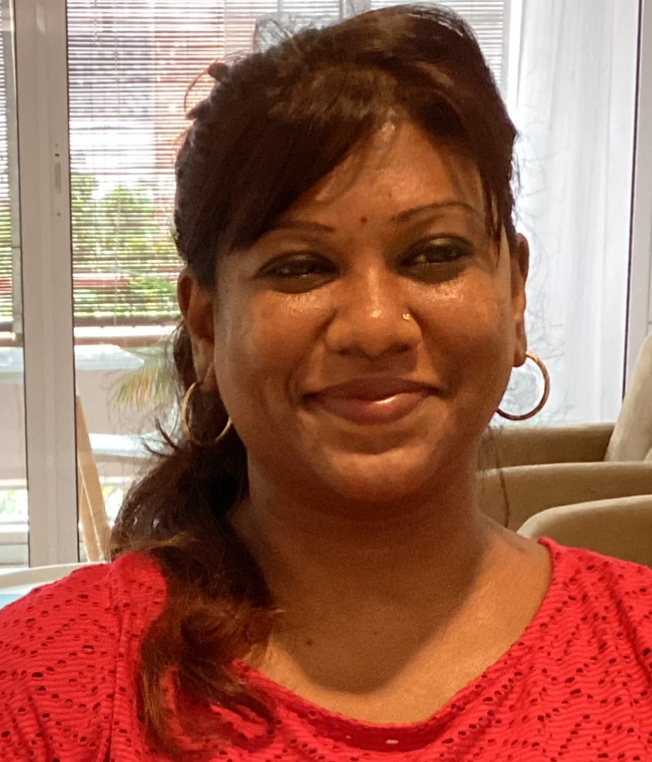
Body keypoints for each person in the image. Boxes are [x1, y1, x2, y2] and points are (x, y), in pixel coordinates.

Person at [1, 4, 651, 760]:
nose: (374, 327)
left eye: (434, 254)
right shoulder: (42, 686)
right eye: (301, 267)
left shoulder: (635, 643)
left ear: (514, 296)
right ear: (206, 325)